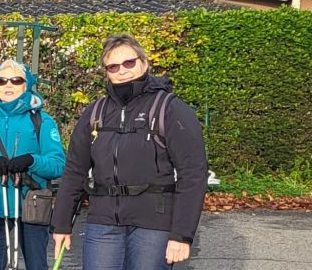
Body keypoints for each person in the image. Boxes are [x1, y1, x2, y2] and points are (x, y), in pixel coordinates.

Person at [52, 35, 208, 270]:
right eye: (113, 66)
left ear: (144, 62)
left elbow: (193, 173)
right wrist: (61, 224)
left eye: (129, 63)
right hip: (103, 221)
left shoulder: (170, 109)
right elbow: (75, 170)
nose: (122, 71)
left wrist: (181, 234)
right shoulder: (96, 112)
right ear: (106, 72)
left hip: (153, 222)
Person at [0, 60, 65, 270]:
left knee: (36, 264)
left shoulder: (42, 121)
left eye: (16, 80)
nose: (8, 85)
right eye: (2, 80)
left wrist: (32, 160)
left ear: (26, 85)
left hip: (32, 204)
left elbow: (58, 164)